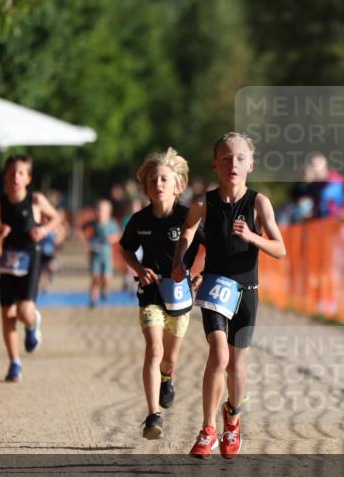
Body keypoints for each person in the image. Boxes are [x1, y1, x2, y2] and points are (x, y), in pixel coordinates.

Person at [172, 132, 286, 459]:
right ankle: (208, 429)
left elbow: (280, 248)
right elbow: (188, 231)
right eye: (225, 159)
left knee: (237, 364)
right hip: (214, 288)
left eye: (238, 158)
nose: (231, 164)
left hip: (247, 291)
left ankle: (232, 418)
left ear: (250, 164)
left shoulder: (259, 203)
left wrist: (253, 236)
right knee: (219, 356)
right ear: (215, 165)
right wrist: (181, 261)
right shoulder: (202, 203)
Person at [120, 148, 204, 440]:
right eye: (153, 179)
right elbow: (125, 248)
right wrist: (139, 268)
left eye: (164, 179)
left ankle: (167, 377)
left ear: (177, 186)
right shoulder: (139, 220)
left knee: (169, 357)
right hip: (151, 292)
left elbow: (210, 249)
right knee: (154, 350)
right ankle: (153, 415)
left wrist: (201, 275)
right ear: (145, 186)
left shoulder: (187, 217)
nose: (158, 184)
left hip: (180, 295)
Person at [0, 155, 61, 383]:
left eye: (20, 173)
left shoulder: (36, 200)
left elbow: (57, 217)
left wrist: (43, 230)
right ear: (5, 178)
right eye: (11, 173)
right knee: (7, 314)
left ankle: (32, 323)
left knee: (23, 312)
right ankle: (14, 364)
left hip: (30, 258)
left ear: (28, 178)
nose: (15, 178)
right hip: (7, 261)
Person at [81, 200, 121, 306]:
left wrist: (110, 239)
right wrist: (88, 241)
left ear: (108, 212)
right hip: (95, 256)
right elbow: (83, 232)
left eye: (102, 210)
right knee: (95, 277)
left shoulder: (111, 223)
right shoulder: (92, 224)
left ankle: (105, 290)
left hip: (106, 255)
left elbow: (117, 235)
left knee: (106, 278)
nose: (100, 212)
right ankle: (93, 299)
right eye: (98, 210)